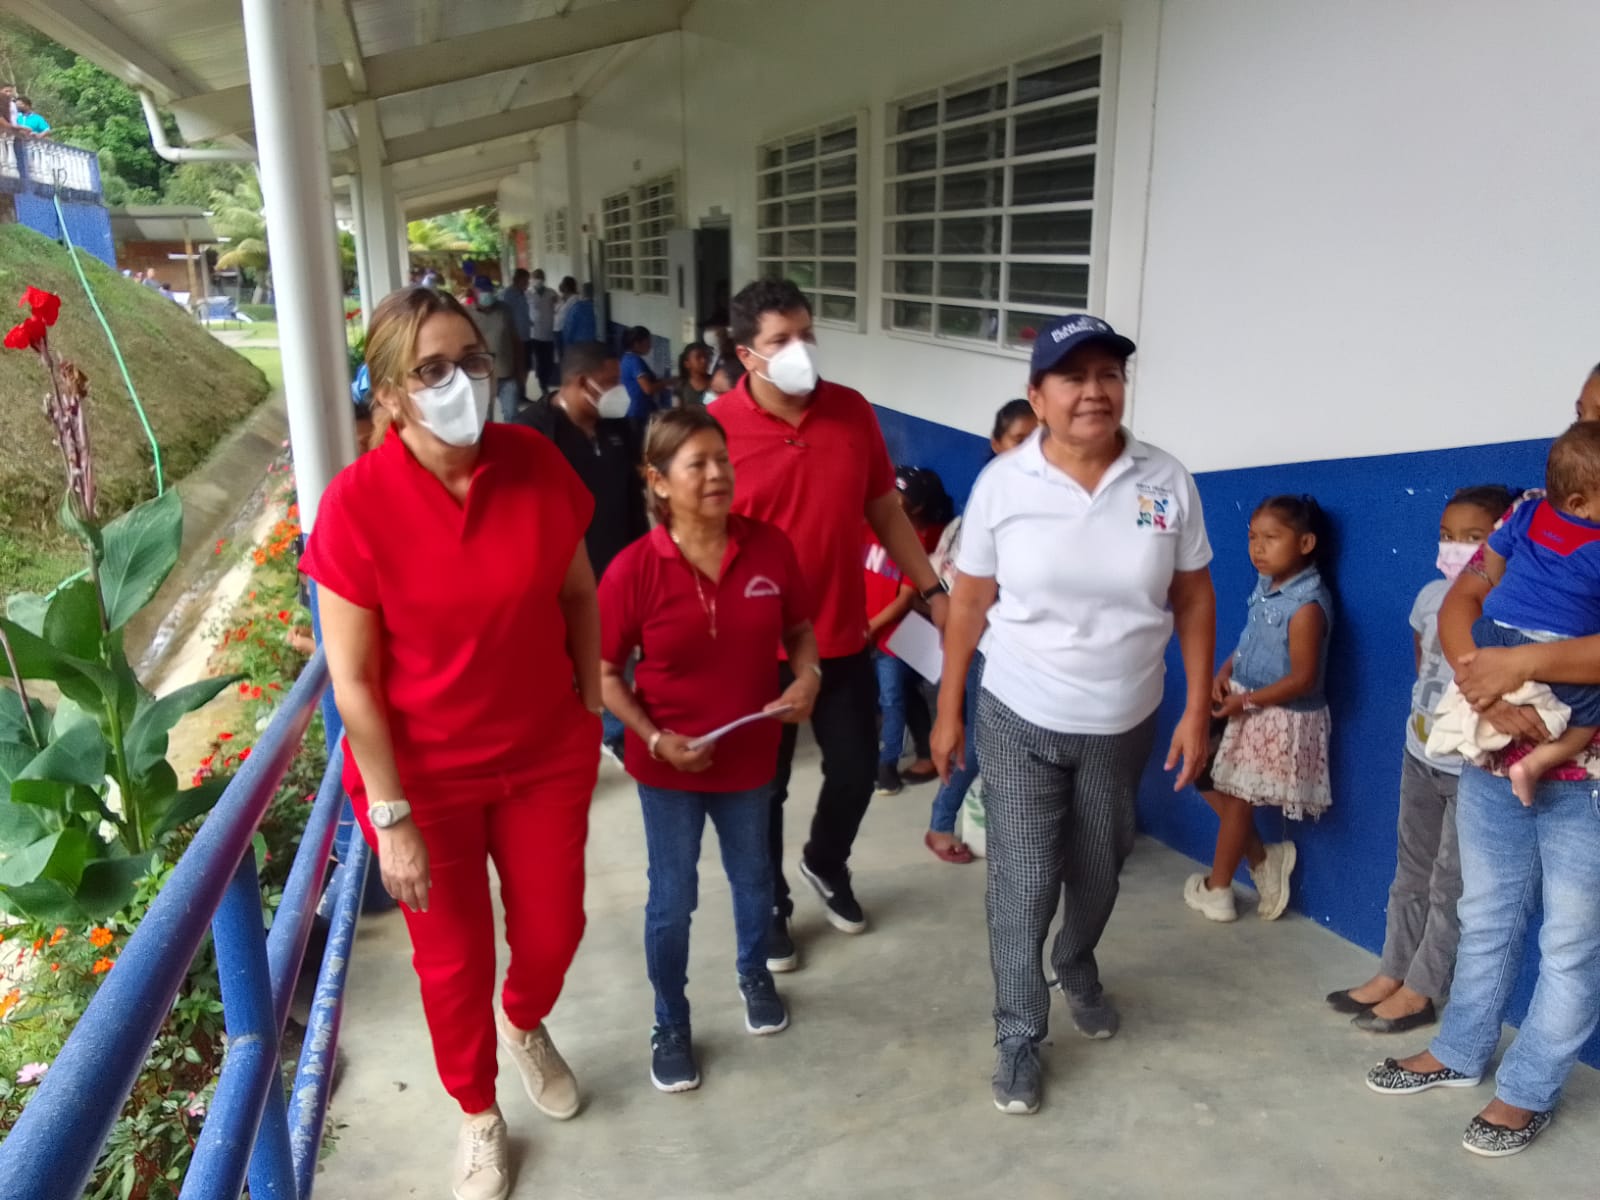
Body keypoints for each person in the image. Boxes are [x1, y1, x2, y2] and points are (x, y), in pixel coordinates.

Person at [302, 286, 603, 1200]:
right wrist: (389, 816)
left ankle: (525, 1021)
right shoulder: (357, 505)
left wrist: (590, 706)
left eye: (470, 361)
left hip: (543, 753)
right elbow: (354, 680)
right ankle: (477, 1110)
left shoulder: (533, 462)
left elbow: (578, 594)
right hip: (423, 779)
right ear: (391, 394)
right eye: (430, 369)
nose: (459, 382)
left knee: (554, 927)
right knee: (453, 961)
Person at [930, 314, 1215, 1117]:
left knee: (1097, 869)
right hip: (1021, 709)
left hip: (1125, 718)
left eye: (1109, 375)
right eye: (1073, 377)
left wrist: (1197, 708)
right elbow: (969, 604)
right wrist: (949, 710)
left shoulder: (1165, 480)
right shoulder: (1004, 485)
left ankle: (1076, 962)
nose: (1095, 392)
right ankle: (1019, 1033)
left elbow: (1193, 597)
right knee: (1022, 883)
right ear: (1038, 396)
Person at [1365, 365, 1600, 1158]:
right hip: (1495, 749)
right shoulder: (1530, 511)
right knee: (1486, 913)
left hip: (1589, 778)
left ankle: (1527, 1089)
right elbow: (1465, 599)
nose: (1587, 428)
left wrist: (1517, 669)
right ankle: (1460, 1049)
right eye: (1582, 413)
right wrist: (1484, 686)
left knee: (1570, 944)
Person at [710, 278, 948, 968]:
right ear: (746, 354)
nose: (801, 349)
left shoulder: (850, 411)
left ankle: (825, 860)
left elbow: (883, 510)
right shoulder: (716, 428)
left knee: (856, 767)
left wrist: (931, 587)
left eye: (806, 333)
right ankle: (770, 902)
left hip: (842, 633)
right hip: (756, 648)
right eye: (780, 339)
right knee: (765, 787)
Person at [598, 408, 822, 1093]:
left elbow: (800, 629)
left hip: (751, 758)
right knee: (673, 899)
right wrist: (654, 737)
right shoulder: (633, 570)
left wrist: (808, 675)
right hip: (668, 768)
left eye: (722, 460)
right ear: (658, 481)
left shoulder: (769, 548)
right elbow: (603, 674)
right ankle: (670, 1020)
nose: (717, 474)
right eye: (697, 464)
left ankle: (754, 973)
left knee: (754, 879)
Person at [1326, 485, 1511, 1033]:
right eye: (1447, 536)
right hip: (1421, 752)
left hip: (1472, 768)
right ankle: (1393, 970)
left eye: (1472, 538)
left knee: (1449, 884)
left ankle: (1423, 990)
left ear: (1504, 540)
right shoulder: (1430, 597)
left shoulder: (1507, 605)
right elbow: (1423, 666)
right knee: (1410, 871)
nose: (1455, 548)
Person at [1428, 425, 1600, 804]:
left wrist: (1503, 587)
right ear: (1578, 503)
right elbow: (1457, 603)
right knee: (1590, 714)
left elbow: (1493, 552)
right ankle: (1535, 765)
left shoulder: (1528, 511)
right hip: (1555, 643)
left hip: (1495, 628)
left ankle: (1458, 725)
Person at [1185, 496, 1333, 924]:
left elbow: (1303, 678)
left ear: (1305, 543)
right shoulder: (1267, 585)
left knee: (1237, 801)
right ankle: (1263, 858)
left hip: (1276, 716)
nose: (1258, 548)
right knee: (1202, 770)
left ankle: (1218, 889)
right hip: (1243, 699)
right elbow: (1253, 640)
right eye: (1252, 537)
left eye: (1271, 538)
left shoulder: (1307, 606)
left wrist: (1246, 701)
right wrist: (1225, 670)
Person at [925, 399, 1039, 864]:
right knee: (975, 741)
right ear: (996, 444)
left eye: (1040, 438)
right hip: (984, 643)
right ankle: (941, 823)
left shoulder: (1049, 492)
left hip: (1026, 651)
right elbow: (970, 593)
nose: (1031, 449)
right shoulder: (991, 496)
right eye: (1019, 439)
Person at [865, 466, 951, 796]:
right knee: (893, 697)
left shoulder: (914, 542)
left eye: (899, 495)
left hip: (894, 637)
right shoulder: (868, 529)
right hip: (867, 632)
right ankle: (895, 756)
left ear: (916, 506)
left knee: (893, 699)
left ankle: (887, 765)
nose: (891, 498)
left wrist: (872, 626)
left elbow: (905, 598)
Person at [469, 274, 524, 423]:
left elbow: (516, 340)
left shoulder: (505, 310)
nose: (486, 294)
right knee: (486, 421)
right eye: (482, 290)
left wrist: (520, 371)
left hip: (507, 374)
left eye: (489, 290)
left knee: (512, 416)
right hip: (481, 377)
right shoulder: (468, 314)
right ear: (474, 291)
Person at [621, 326, 672, 424]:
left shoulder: (626, 359)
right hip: (640, 413)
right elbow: (648, 388)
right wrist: (667, 382)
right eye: (648, 341)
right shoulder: (634, 361)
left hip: (639, 411)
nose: (650, 345)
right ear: (637, 343)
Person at [527, 269, 558, 397]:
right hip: (535, 333)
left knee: (549, 361)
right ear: (532, 279)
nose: (538, 280)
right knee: (539, 360)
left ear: (544, 279)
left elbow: (558, 307)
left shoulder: (551, 293)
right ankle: (543, 384)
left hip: (549, 332)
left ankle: (545, 380)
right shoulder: (528, 294)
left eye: (540, 277)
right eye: (536, 277)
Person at [501, 269, 533, 392]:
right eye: (525, 280)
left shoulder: (523, 294)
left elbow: (522, 313)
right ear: (518, 280)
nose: (527, 283)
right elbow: (506, 316)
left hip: (526, 335)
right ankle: (517, 393)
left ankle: (522, 391)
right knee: (517, 366)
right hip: (515, 338)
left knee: (526, 366)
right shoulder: (508, 294)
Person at [674, 342, 713, 409]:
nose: (704, 361)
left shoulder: (716, 383)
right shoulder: (681, 386)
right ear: (687, 364)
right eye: (698, 357)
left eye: (706, 357)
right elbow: (678, 411)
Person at [562, 281, 598, 347]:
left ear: (583, 293)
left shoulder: (578, 307)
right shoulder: (596, 307)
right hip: (592, 342)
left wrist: (567, 341)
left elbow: (569, 325)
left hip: (578, 343)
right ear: (593, 293)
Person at [553, 276, 578, 359]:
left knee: (566, 355)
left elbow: (567, 315)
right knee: (561, 354)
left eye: (563, 284)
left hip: (565, 330)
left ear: (567, 287)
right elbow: (555, 310)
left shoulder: (575, 299)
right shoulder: (563, 299)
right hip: (557, 330)